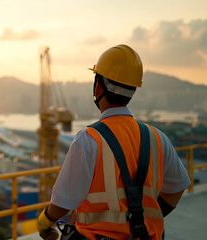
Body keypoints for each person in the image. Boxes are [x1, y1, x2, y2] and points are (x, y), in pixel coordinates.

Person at [37, 44, 190, 240]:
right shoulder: (158, 137)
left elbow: (62, 202)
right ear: (133, 89)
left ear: (98, 86)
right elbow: (177, 188)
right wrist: (139, 218)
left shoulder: (88, 140)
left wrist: (44, 221)